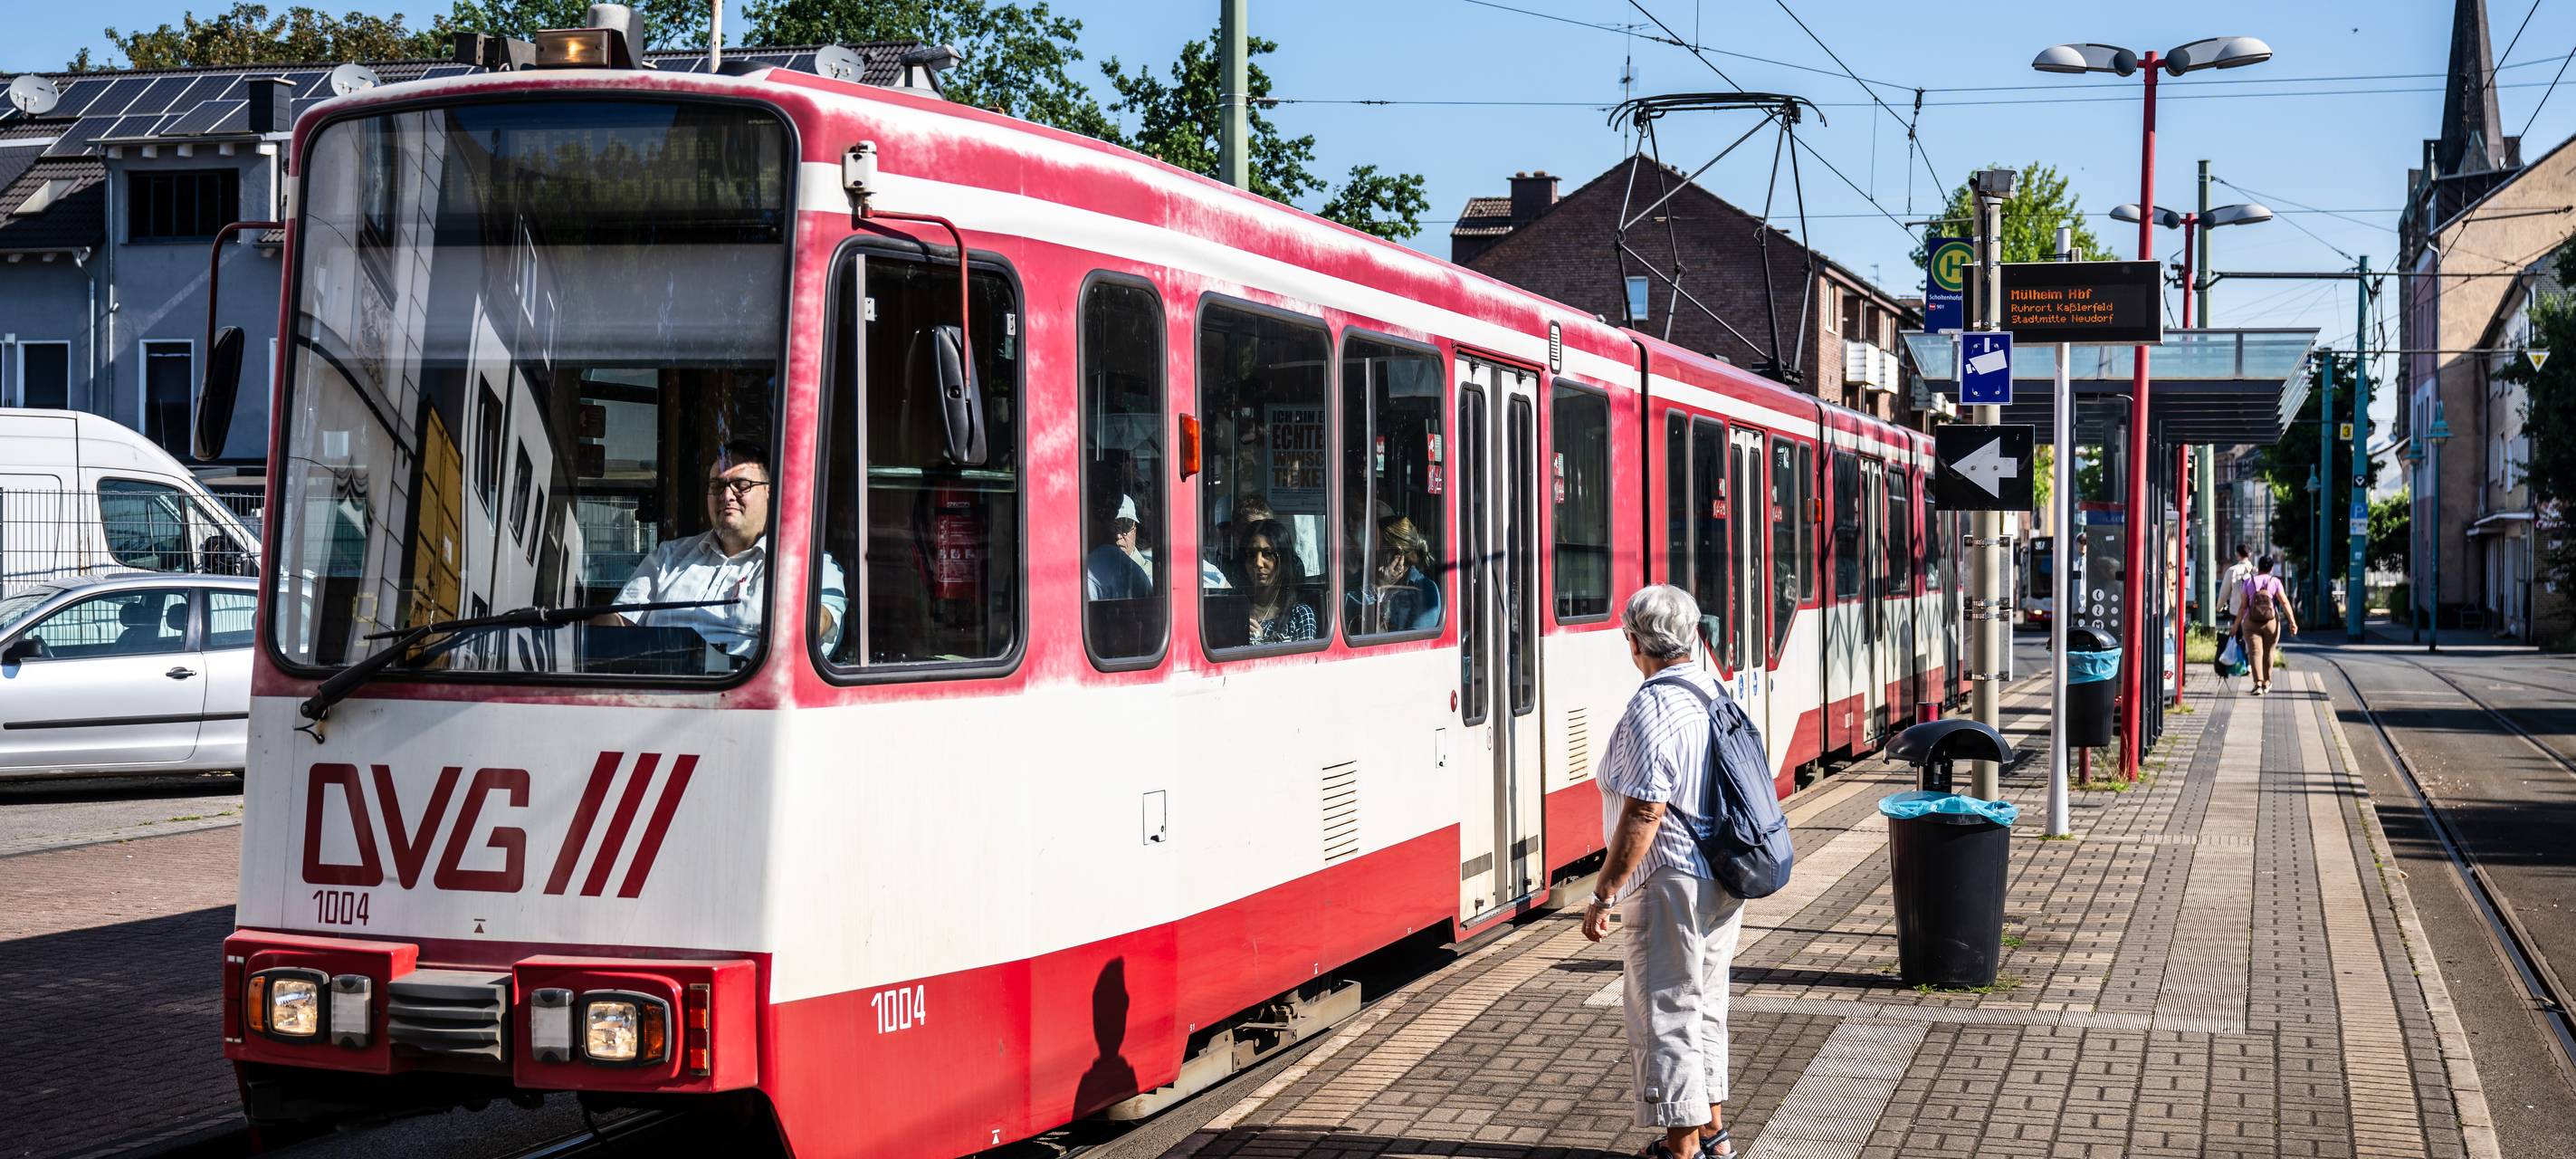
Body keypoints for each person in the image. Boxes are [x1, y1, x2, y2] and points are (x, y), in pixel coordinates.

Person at [1582, 584, 1742, 1159]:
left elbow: (1646, 808)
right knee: (1704, 1003)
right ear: (1693, 635)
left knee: (1666, 1011)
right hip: (1723, 873)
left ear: (1633, 642)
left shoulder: (1652, 704)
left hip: (1673, 878)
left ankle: (1681, 1150)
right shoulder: (1712, 689)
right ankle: (1713, 1133)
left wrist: (1605, 892)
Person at [606, 439, 845, 662]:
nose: (726, 495)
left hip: (745, 695)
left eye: (742, 485)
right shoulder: (668, 558)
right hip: (654, 688)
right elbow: (617, 624)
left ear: (770, 492)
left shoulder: (807, 564)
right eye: (717, 486)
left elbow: (816, 625)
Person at [1349, 515, 1442, 634]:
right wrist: (1377, 587)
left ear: (1397, 555)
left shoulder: (1424, 589)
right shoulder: (1367, 577)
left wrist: (1381, 588)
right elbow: (1345, 609)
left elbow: (1415, 641)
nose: (1371, 554)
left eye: (1378, 549)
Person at [1238, 518, 1317, 644]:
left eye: (1268, 554)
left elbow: (1302, 662)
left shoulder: (1299, 616)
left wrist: (1261, 642)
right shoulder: (1236, 612)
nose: (1258, 563)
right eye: (1251, 554)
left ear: (1284, 560)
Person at [2235, 553, 2296, 694]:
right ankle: (2267, 682)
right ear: (2271, 568)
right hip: (2271, 622)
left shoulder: (2249, 582)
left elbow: (2243, 606)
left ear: (2258, 568)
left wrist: (2235, 625)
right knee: (2269, 652)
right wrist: (2292, 622)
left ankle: (2258, 684)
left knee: (2254, 652)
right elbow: (2284, 602)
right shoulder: (2275, 582)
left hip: (2251, 622)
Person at [1083, 494, 1153, 601]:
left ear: (1135, 529)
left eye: (1125, 525)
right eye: (1113, 526)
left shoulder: (1153, 575)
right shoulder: (1091, 569)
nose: (1118, 536)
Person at [2220, 543, 2256, 624]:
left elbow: (2224, 592)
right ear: (2250, 554)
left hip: (2236, 610)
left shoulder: (2232, 570)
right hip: (2254, 611)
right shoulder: (2255, 571)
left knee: (2238, 634)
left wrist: (2219, 606)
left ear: (2237, 554)